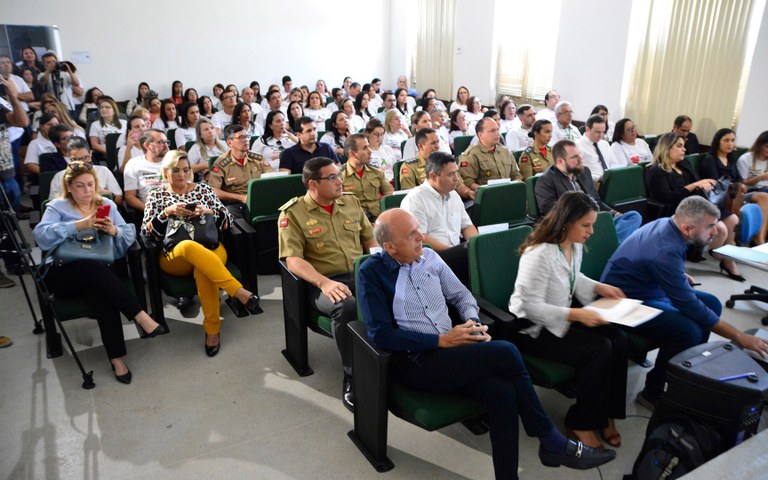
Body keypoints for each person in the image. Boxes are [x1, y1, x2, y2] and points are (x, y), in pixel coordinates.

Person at [359, 208, 616, 480]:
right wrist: (441, 340)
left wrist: (472, 323)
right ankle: (550, 440)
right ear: (389, 247)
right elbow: (380, 334)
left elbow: (462, 296)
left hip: (452, 351)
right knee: (505, 352)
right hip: (415, 362)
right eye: (412, 235)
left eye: (418, 230)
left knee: (503, 393)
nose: (421, 236)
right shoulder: (372, 273)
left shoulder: (430, 257)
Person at [602, 195, 768, 410]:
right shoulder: (666, 250)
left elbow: (661, 263)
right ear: (687, 228)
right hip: (621, 301)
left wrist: (677, 273)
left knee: (712, 304)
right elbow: (688, 305)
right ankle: (653, 391)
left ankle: (687, 374)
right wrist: (739, 336)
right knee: (687, 330)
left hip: (646, 287)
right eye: (710, 227)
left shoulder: (669, 224)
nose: (715, 232)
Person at [509, 192, 628, 448]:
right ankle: (581, 422)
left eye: (592, 225)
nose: (591, 231)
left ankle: (607, 413)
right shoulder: (538, 253)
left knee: (618, 339)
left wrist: (598, 287)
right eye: (586, 225)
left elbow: (571, 277)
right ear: (566, 222)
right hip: (531, 327)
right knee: (598, 349)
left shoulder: (572, 244)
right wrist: (576, 314)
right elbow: (528, 306)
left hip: (559, 312)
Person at [33, 161, 167, 384]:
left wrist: (113, 230)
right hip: (64, 273)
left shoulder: (105, 204)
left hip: (99, 274)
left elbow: (127, 237)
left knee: (102, 294)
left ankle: (117, 358)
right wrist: (78, 225)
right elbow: (41, 236)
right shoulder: (57, 206)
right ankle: (140, 315)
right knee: (94, 271)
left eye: (90, 185)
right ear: (69, 187)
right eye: (80, 186)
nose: (87, 191)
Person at [278, 157, 378, 411]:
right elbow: (293, 261)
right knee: (346, 306)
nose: (339, 181)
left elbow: (371, 242)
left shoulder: (351, 202)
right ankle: (353, 377)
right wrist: (324, 283)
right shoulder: (293, 213)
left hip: (359, 273)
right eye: (332, 177)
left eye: (339, 175)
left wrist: (381, 270)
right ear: (313, 184)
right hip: (321, 283)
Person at [142, 151, 260, 357]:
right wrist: (167, 213)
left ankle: (212, 331)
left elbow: (228, 222)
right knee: (189, 246)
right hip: (175, 255)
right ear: (165, 172)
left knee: (203, 269)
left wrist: (208, 212)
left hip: (211, 248)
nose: (182, 174)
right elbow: (147, 234)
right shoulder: (157, 194)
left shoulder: (203, 190)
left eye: (186, 170)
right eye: (176, 170)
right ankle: (238, 292)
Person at [645, 132, 742, 279]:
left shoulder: (684, 165)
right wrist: (695, 185)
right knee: (720, 228)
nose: (684, 149)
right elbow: (668, 198)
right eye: (679, 146)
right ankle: (718, 253)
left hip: (697, 206)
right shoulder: (656, 170)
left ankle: (728, 260)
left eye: (684, 146)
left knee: (733, 219)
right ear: (667, 148)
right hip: (678, 211)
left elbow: (697, 187)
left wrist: (705, 184)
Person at [535, 140, 642, 242]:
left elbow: (596, 201)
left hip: (597, 219)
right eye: (574, 157)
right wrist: (584, 219)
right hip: (576, 225)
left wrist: (613, 213)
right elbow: (552, 212)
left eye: (579, 155)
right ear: (560, 162)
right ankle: (612, 241)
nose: (580, 159)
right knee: (630, 234)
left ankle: (610, 241)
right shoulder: (546, 180)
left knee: (634, 216)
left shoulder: (584, 171)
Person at [401, 151, 478, 283]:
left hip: (456, 254)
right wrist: (455, 253)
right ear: (433, 176)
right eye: (450, 174)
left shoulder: (453, 195)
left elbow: (467, 226)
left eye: (456, 172)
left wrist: (478, 245)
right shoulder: (415, 199)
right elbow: (420, 238)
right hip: (430, 259)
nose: (457, 179)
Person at [700, 129, 768, 249]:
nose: (730, 144)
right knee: (763, 196)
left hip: (737, 195)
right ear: (718, 142)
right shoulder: (710, 160)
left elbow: (740, 180)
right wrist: (741, 184)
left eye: (732, 140)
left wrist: (740, 185)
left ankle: (758, 238)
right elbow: (716, 184)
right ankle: (758, 239)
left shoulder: (730, 160)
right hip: (723, 198)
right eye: (726, 140)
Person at [208, 124, 270, 218]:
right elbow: (214, 190)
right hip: (237, 204)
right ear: (229, 142)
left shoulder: (258, 158)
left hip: (259, 200)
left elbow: (271, 176)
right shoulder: (221, 164)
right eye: (241, 137)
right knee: (230, 212)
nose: (246, 140)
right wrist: (241, 198)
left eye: (247, 137)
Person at [457, 118, 522, 200]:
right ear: (480, 135)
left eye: (498, 130)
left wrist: (514, 188)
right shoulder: (471, 155)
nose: (497, 133)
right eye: (492, 131)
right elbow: (468, 182)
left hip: (509, 195)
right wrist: (488, 192)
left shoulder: (505, 151)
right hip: (487, 198)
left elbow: (516, 175)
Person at [50, 137, 123, 205]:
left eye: (85, 157)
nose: (81, 162)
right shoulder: (59, 177)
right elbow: (52, 205)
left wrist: (108, 194)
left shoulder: (103, 171)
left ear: (90, 154)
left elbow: (119, 200)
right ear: (68, 156)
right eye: (75, 159)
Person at [340, 133, 393, 220]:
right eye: (365, 148)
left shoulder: (377, 172)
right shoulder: (340, 177)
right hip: (355, 221)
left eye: (368, 146)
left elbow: (389, 196)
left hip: (379, 219)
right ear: (352, 153)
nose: (370, 151)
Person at [123, 129, 168, 212]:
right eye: (161, 142)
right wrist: (149, 211)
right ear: (147, 145)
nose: (166, 145)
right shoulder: (134, 164)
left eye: (166, 142)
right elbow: (129, 197)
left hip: (176, 204)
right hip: (153, 210)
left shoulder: (173, 161)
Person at [578, 114, 622, 183]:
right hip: (591, 184)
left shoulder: (604, 144)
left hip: (609, 181)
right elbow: (577, 172)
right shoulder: (578, 146)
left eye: (603, 132)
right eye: (597, 132)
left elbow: (614, 164)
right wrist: (598, 178)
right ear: (587, 129)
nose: (601, 135)